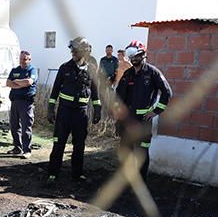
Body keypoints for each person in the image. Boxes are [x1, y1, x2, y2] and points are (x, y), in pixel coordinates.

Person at [114, 40, 173, 180]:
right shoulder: (127, 74)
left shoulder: (152, 73)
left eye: (136, 56)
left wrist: (156, 111)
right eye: (132, 56)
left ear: (143, 55)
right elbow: (118, 96)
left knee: (141, 153)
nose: (134, 59)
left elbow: (167, 93)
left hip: (143, 122)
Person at [46, 37, 101, 183]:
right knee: (59, 144)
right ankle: (53, 173)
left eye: (75, 51)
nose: (72, 54)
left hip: (81, 114)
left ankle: (77, 174)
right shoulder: (65, 68)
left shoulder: (91, 70)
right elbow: (55, 90)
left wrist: (97, 110)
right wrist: (51, 109)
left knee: (79, 145)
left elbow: (95, 92)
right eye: (72, 51)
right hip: (64, 112)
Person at [6, 50, 37, 158]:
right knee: (14, 126)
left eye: (25, 59)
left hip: (26, 102)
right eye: (21, 59)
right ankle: (17, 148)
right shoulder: (15, 70)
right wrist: (21, 84)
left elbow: (29, 82)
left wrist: (16, 81)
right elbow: (8, 83)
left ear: (29, 59)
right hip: (15, 101)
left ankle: (26, 150)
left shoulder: (32, 70)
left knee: (26, 127)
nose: (22, 61)